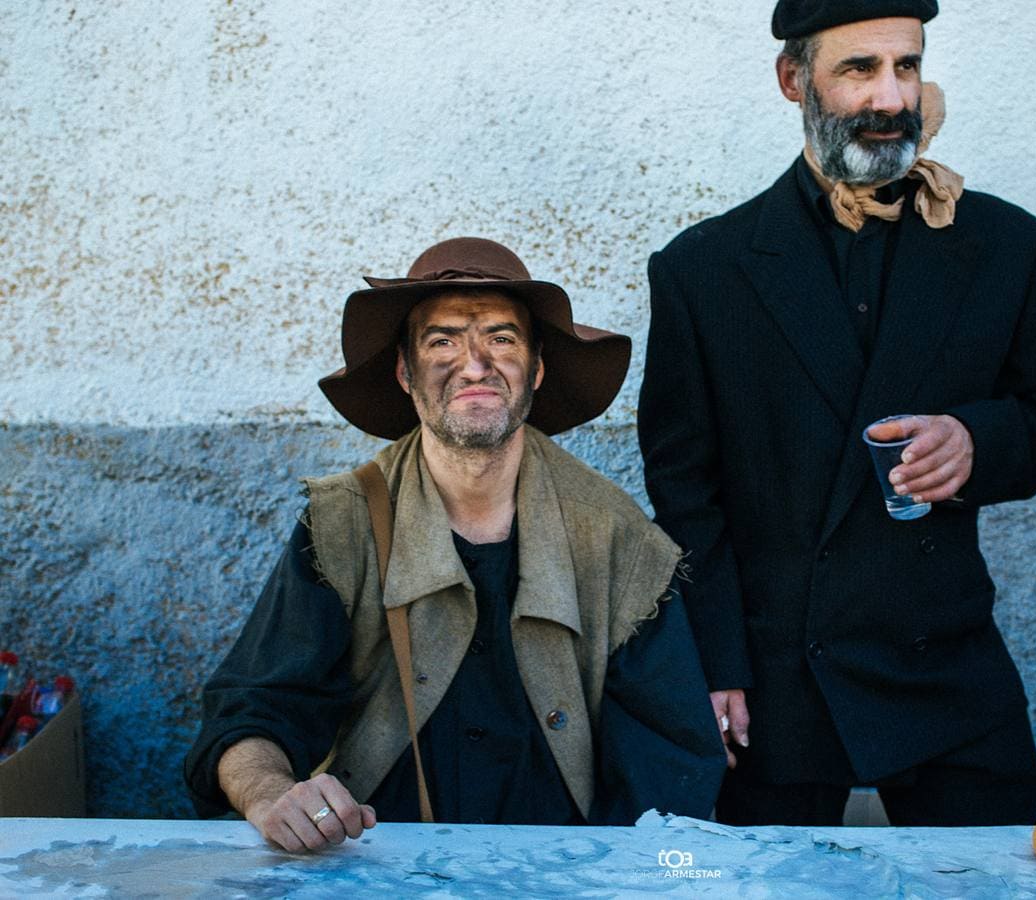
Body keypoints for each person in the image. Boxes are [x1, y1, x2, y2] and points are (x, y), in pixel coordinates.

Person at [638, 0, 1036, 827]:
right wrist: (716, 660)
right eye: (858, 69)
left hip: (945, 667)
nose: (890, 97)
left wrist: (976, 441)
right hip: (776, 675)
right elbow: (685, 494)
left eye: (905, 65)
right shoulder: (704, 270)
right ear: (792, 80)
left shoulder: (1010, 245)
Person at [185, 237, 724, 851]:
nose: (474, 365)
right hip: (376, 865)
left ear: (537, 368)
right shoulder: (344, 524)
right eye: (442, 341)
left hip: (558, 873)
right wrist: (269, 792)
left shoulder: (619, 542)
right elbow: (255, 707)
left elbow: (666, 773)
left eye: (502, 339)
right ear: (404, 372)